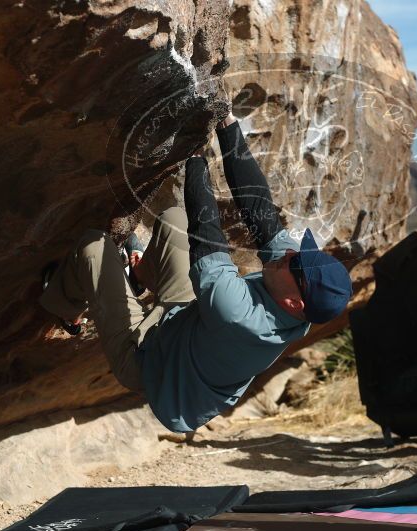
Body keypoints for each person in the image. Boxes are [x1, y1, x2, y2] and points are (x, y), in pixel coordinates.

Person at [39, 112, 353, 432]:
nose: (290, 255)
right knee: (175, 220)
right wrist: (227, 125)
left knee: (93, 245)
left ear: (293, 304)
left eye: (297, 264)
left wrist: (195, 156)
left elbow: (207, 232)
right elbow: (259, 208)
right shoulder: (294, 292)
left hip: (149, 364)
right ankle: (139, 278)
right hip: (186, 326)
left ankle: (67, 310)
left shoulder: (238, 316)